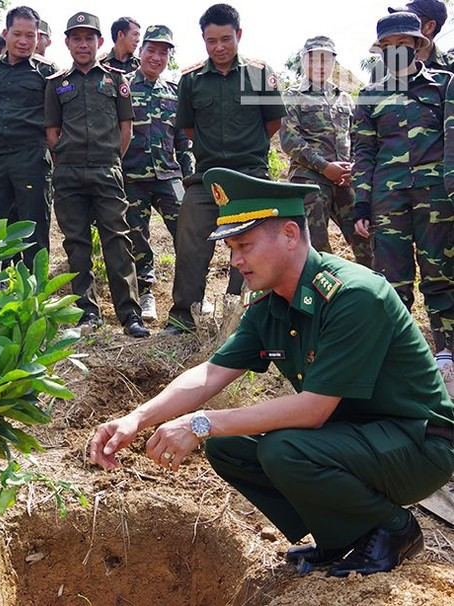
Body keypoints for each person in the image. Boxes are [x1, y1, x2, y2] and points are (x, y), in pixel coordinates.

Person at [90, 167, 454, 578]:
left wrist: (201, 422)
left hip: (416, 446)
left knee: (283, 450)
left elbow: (313, 409)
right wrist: (137, 418)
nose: (235, 260)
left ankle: (393, 528)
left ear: (290, 235)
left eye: (244, 244)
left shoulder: (352, 295)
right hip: (354, 438)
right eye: (231, 248)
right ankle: (342, 537)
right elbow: (211, 373)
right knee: (231, 447)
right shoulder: (273, 302)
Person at [165, 3, 285, 335]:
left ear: (239, 35)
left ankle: (242, 315)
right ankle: (182, 318)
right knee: (190, 240)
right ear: (203, 40)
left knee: (251, 242)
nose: (219, 47)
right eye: (211, 40)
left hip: (250, 174)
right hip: (206, 176)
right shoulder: (190, 80)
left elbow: (272, 123)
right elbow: (188, 129)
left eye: (225, 39)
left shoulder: (261, 74)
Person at [352, 12, 454, 389]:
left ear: (416, 44)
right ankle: (398, 348)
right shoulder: (369, 95)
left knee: (440, 272)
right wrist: (361, 203)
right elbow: (363, 151)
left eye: (402, 45)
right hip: (387, 198)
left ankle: (446, 352)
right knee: (391, 278)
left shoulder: (444, 86)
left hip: (436, 196)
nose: (396, 52)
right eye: (388, 47)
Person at [45, 11, 148, 338]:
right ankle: (87, 313)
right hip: (69, 174)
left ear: (99, 41)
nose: (83, 44)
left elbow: (126, 128)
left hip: (107, 171)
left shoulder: (116, 80)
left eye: (89, 38)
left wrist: (111, 159)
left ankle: (130, 316)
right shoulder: (56, 84)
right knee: (76, 245)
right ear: (68, 43)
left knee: (117, 241)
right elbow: (51, 131)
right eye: (76, 38)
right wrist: (67, 154)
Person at [0, 5, 57, 269]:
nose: (24, 41)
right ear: (5, 33)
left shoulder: (47, 71)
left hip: (32, 158)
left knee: (35, 231)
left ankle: (35, 301)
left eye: (30, 36)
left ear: (38, 37)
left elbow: (56, 119)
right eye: (17, 34)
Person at [280, 36, 372, 267]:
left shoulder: (345, 98)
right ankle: (322, 297)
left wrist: (351, 168)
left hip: (345, 179)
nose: (320, 66)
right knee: (316, 247)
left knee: (367, 241)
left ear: (333, 63)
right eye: (314, 60)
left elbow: (357, 137)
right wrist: (324, 167)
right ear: (303, 61)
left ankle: (370, 293)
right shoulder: (292, 96)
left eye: (326, 60)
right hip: (309, 179)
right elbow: (290, 140)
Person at [123, 25, 193, 323]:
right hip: (132, 177)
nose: (156, 57)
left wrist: (190, 177)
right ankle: (146, 293)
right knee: (137, 238)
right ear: (140, 52)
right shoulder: (122, 87)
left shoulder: (175, 92)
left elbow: (182, 140)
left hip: (169, 176)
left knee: (188, 234)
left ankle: (191, 296)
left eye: (163, 52)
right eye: (151, 50)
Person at [373, 0, 454, 78]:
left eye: (408, 19)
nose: (398, 24)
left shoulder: (450, 68)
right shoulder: (384, 67)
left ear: (429, 27)